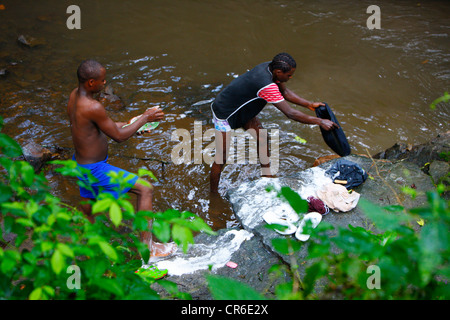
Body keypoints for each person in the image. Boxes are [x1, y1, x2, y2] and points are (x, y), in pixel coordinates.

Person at [67, 59, 176, 259]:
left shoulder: (75, 96)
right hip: (95, 168)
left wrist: (129, 124)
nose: (104, 84)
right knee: (145, 189)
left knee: (89, 210)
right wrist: (145, 118)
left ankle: (86, 250)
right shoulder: (93, 106)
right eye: (102, 81)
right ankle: (149, 249)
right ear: (91, 83)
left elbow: (98, 127)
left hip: (80, 163)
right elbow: (119, 137)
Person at [210, 53, 339, 193]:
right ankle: (214, 195)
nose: (290, 78)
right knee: (221, 158)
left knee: (262, 139)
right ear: (278, 72)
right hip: (224, 113)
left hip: (243, 109)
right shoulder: (266, 85)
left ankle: (267, 177)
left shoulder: (270, 67)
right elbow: (291, 113)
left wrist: (309, 104)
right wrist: (320, 121)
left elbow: (285, 91)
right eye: (289, 75)